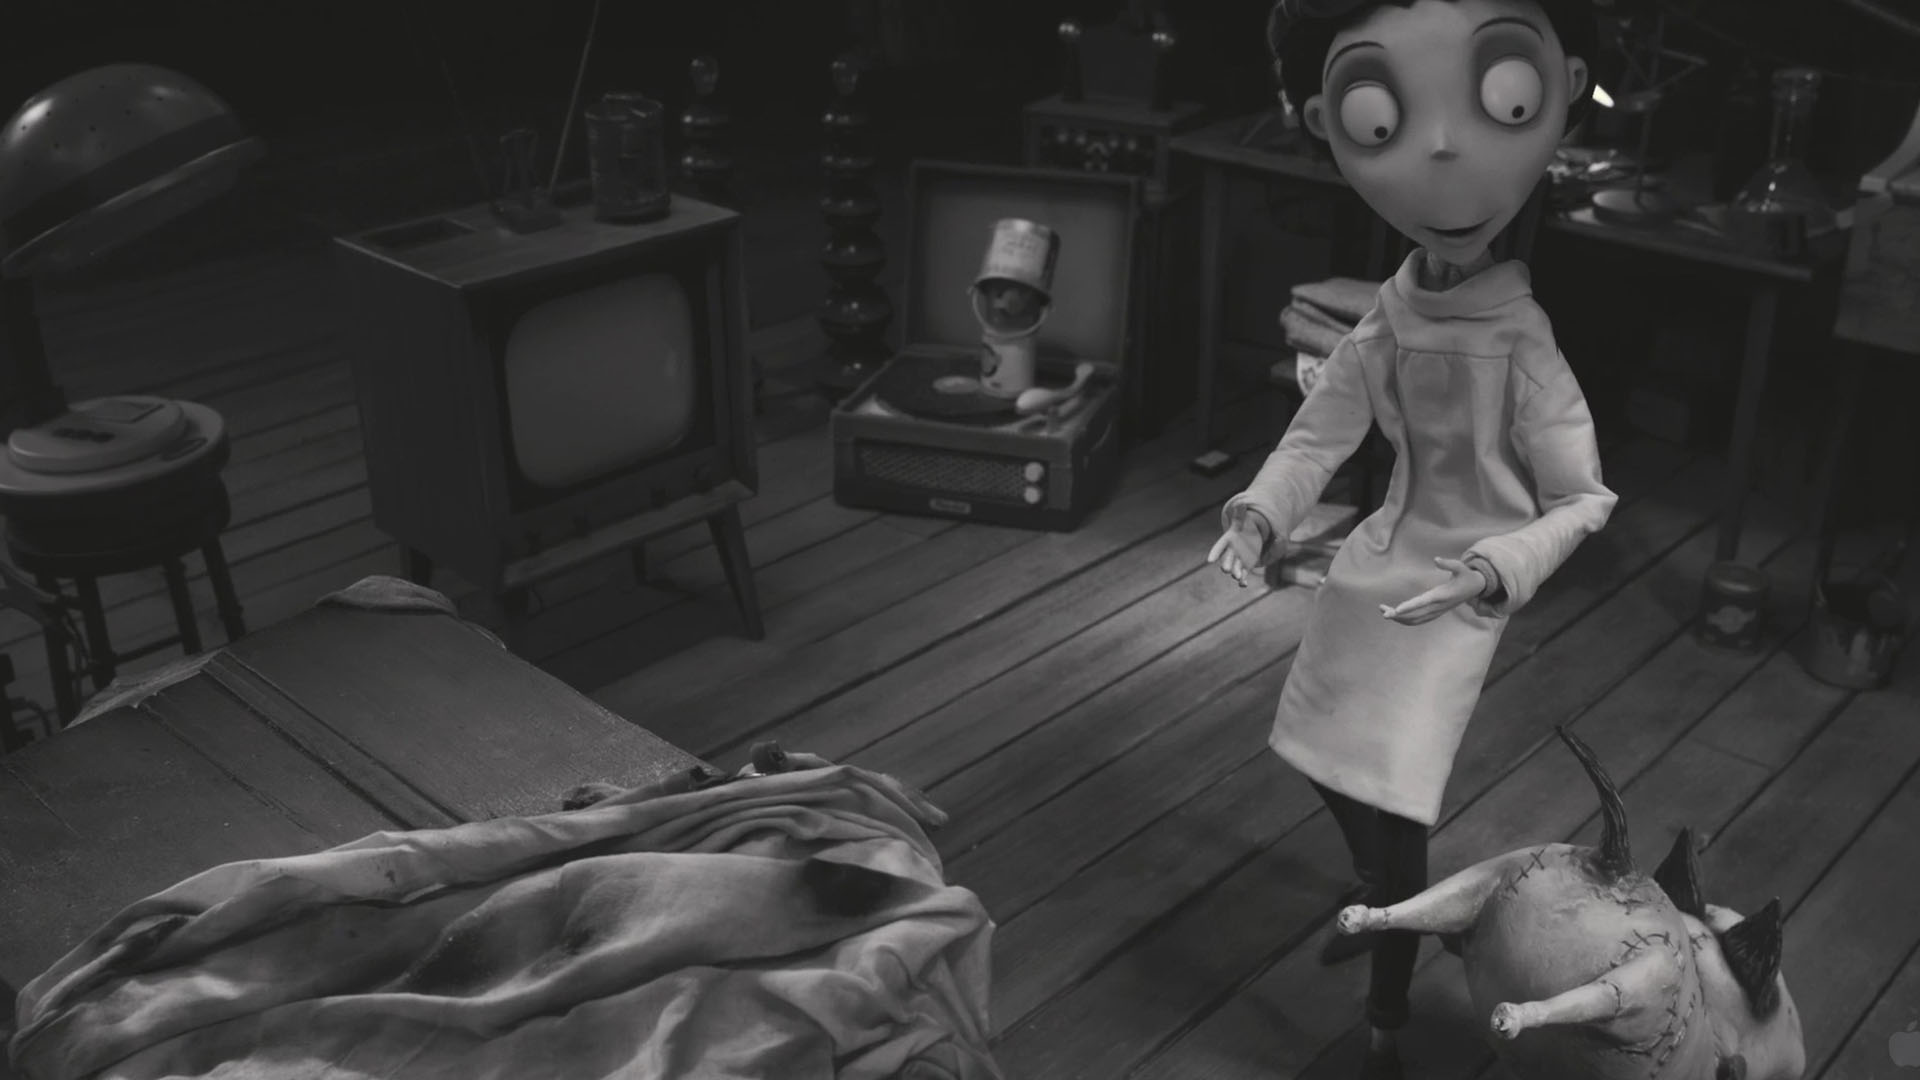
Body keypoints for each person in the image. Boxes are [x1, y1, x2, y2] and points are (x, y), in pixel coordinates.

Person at [1206, 0, 1617, 1076]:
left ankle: (1387, 1000)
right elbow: (1321, 428)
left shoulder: (1524, 345)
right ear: (1326, 122)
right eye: (1379, 120)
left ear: (1563, 92)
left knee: (1396, 799)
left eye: (1506, 102)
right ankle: (1381, 894)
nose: (1441, 155)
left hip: (1457, 595)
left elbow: (1583, 498)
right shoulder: (1394, 311)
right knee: (1316, 750)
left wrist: (1491, 570)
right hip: (1376, 566)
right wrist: (1260, 512)